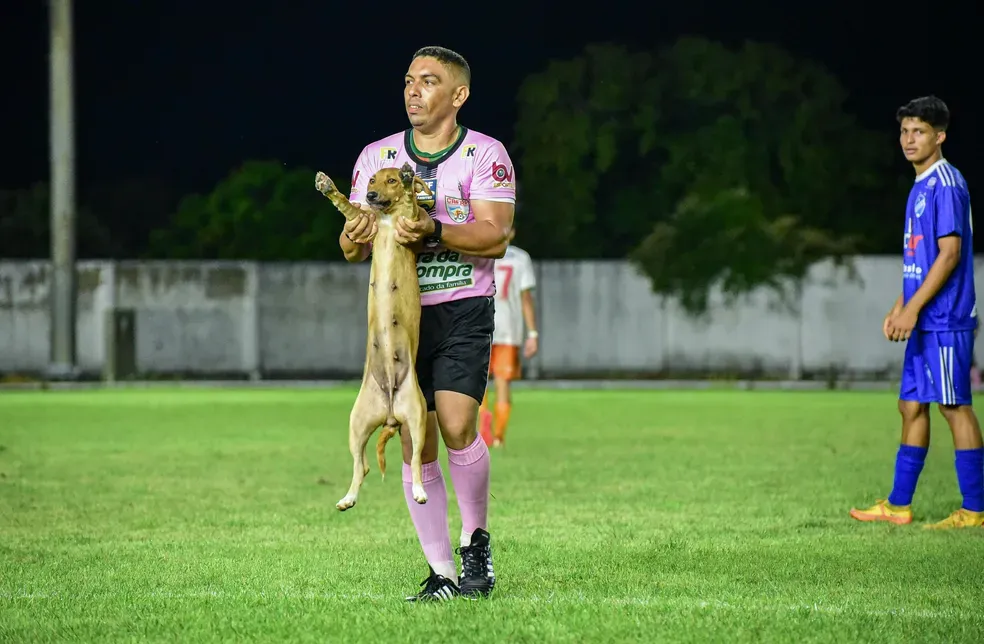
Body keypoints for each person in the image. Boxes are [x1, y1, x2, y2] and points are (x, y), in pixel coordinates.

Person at [338, 46, 515, 601]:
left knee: (460, 424)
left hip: (463, 305)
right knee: (421, 439)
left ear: (457, 95)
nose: (414, 90)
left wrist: (435, 230)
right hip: (400, 318)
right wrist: (356, 234)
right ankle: (441, 573)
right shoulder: (377, 157)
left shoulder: (485, 154)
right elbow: (349, 247)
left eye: (429, 81)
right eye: (410, 80)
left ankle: (476, 540)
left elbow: (496, 234)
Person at [849, 95, 984, 529]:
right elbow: (921, 260)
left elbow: (948, 256)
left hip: (945, 318)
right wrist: (899, 305)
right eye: (905, 131)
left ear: (939, 136)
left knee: (953, 406)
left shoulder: (946, 183)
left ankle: (976, 509)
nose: (909, 139)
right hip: (924, 316)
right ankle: (898, 506)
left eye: (919, 131)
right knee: (910, 406)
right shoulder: (921, 184)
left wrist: (914, 310)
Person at [478, 230, 539, 447]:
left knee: (478, 382)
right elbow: (525, 297)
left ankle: (482, 429)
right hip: (508, 330)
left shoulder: (477, 251)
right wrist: (532, 333)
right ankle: (498, 437)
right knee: (503, 382)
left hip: (479, 325)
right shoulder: (520, 258)